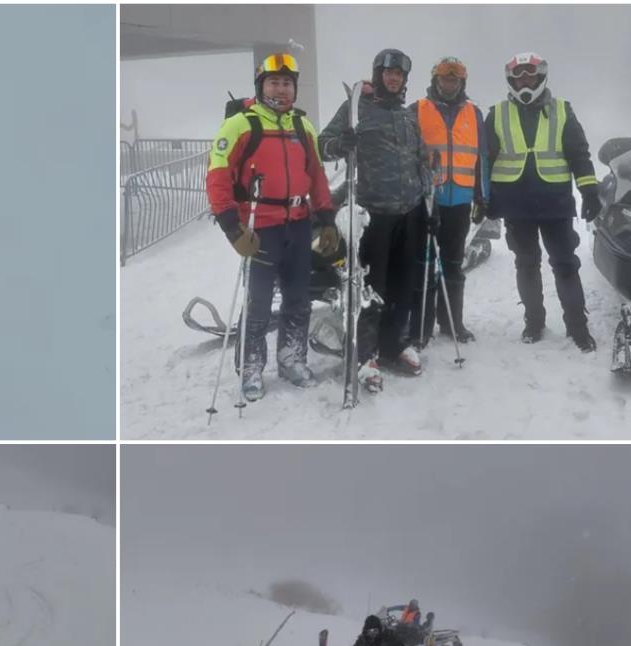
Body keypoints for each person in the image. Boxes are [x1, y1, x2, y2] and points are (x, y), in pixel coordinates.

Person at [207, 52, 339, 401]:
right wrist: (231, 227)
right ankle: (251, 366)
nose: (281, 89)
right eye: (274, 82)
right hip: (258, 227)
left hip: (298, 224)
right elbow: (217, 176)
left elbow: (317, 176)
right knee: (259, 302)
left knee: (298, 298)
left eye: (287, 83)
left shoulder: (302, 126)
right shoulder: (241, 124)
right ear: (261, 85)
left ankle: (292, 358)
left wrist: (326, 218)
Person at [320, 49, 432, 388]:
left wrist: (428, 204)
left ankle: (394, 344)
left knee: (403, 284)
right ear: (378, 75)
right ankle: (365, 353)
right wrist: (341, 144)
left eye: (399, 74)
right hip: (373, 214)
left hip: (409, 212)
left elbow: (420, 159)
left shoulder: (407, 116)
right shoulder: (357, 109)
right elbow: (322, 144)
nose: (394, 78)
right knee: (370, 287)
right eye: (388, 73)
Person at [483, 53, 599, 351]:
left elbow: (579, 154)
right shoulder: (497, 113)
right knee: (526, 264)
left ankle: (577, 327)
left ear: (540, 77)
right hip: (516, 205)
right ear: (511, 80)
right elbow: (484, 160)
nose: (525, 81)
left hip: (555, 204)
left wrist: (589, 191)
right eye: (519, 76)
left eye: (530, 75)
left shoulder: (562, 110)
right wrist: (483, 197)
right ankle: (534, 322)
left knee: (565, 264)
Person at [410, 58, 488, 345]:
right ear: (436, 80)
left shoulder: (473, 113)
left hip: (461, 201)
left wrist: (482, 196)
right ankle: (421, 326)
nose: (449, 84)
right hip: (428, 201)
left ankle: (452, 323)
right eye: (445, 79)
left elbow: (482, 158)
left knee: (454, 264)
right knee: (425, 265)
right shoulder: (417, 109)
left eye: (454, 80)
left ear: (461, 83)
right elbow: (407, 154)